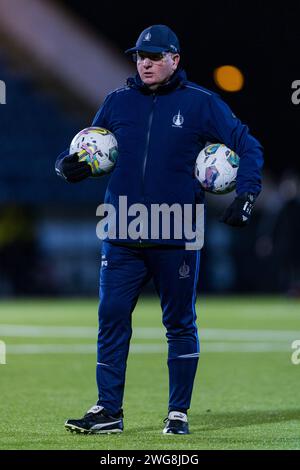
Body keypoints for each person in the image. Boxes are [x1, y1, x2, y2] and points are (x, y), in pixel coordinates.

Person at [55, 24, 263, 435]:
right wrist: (66, 165)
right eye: (139, 56)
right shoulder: (116, 101)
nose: (144, 63)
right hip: (122, 232)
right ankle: (108, 411)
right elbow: (88, 146)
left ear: (175, 59)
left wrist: (246, 194)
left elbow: (248, 144)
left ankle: (178, 413)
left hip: (177, 232)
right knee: (111, 318)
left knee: (180, 322)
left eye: (153, 56)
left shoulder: (202, 103)